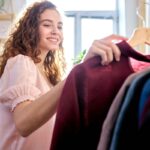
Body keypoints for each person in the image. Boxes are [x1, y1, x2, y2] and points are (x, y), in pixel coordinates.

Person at [0, 1, 126, 150]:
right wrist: (78, 71)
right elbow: (24, 124)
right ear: (30, 29)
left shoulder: (49, 78)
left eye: (59, 26)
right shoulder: (21, 62)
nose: (55, 31)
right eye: (47, 25)